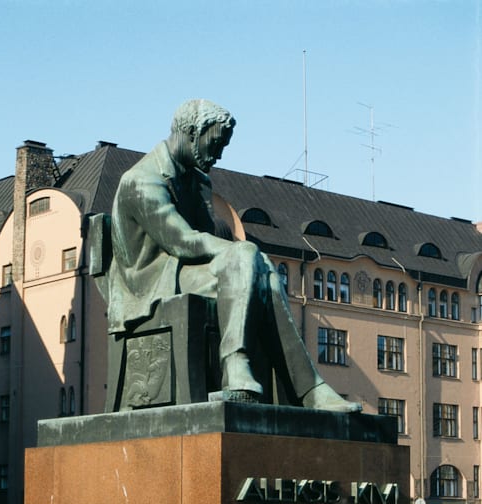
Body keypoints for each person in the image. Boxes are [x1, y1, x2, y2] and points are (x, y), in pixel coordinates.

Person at [107, 98, 361, 412]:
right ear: (191, 133)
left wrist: (247, 257)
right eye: (215, 143)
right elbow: (181, 242)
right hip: (151, 282)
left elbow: (209, 244)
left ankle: (308, 390)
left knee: (261, 273)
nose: (220, 153)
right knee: (248, 258)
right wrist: (245, 253)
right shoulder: (140, 180)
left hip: (188, 272)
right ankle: (242, 367)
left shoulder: (198, 180)